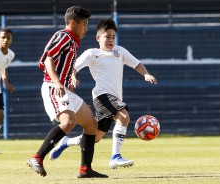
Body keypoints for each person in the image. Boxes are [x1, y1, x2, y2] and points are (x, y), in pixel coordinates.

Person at [48, 19, 157, 169]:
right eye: (107, 36)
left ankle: (66, 142)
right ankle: (115, 157)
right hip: (102, 95)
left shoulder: (120, 51)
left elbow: (137, 64)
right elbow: (73, 67)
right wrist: (73, 76)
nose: (111, 40)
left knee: (95, 137)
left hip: (114, 98)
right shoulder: (92, 53)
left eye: (113, 36)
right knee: (124, 116)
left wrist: (145, 74)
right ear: (98, 38)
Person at [26, 6, 108, 178]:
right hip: (53, 87)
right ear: (72, 23)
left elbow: (63, 61)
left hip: (65, 89)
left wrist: (70, 75)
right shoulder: (63, 36)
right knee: (68, 121)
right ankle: (37, 157)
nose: (86, 28)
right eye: (84, 24)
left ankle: (86, 170)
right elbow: (48, 59)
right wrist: (57, 82)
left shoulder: (72, 40)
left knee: (91, 125)